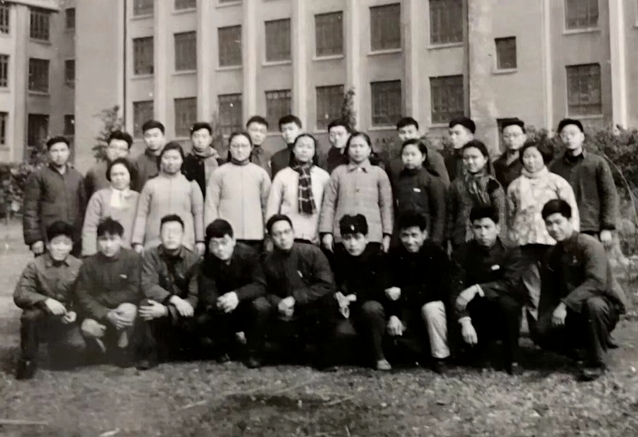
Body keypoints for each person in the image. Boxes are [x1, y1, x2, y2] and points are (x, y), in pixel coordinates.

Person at [535, 199, 628, 381]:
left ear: (570, 220)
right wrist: (542, 323)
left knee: (593, 305)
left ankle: (597, 362)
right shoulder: (552, 254)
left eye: (558, 222)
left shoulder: (589, 245)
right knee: (540, 331)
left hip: (604, 306)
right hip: (574, 310)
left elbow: (597, 282)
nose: (554, 228)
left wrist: (564, 304)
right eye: (549, 224)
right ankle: (582, 348)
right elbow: (548, 292)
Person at [506, 141, 579, 321]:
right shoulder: (515, 185)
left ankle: (558, 327)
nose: (530, 161)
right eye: (526, 157)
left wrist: (571, 240)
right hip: (525, 244)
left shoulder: (557, 182)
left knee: (556, 285)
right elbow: (509, 216)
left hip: (552, 242)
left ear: (544, 158)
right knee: (531, 289)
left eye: (535, 157)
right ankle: (536, 329)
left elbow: (571, 212)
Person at [452, 206, 526, 375]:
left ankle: (513, 357)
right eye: (478, 227)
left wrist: (477, 288)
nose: (483, 233)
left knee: (509, 305)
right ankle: (482, 353)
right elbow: (456, 287)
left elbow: (510, 283)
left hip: (503, 302)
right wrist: (464, 320)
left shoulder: (510, 250)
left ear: (497, 228)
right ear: (472, 229)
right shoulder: (462, 252)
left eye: (487, 227)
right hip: (476, 307)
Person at [255, 215, 336, 367]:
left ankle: (324, 356)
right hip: (287, 312)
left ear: (293, 233)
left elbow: (326, 284)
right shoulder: (267, 261)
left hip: (311, 308)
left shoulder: (312, 252)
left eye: (286, 232)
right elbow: (264, 289)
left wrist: (295, 298)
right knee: (291, 354)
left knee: (327, 300)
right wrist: (278, 303)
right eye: (277, 234)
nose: (283, 238)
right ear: (271, 238)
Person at [386, 211, 458, 373]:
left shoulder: (436, 254)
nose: (410, 241)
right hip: (406, 310)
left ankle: (441, 356)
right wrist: (394, 315)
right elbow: (389, 286)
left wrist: (404, 293)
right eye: (405, 235)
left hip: (429, 308)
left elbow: (438, 290)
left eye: (414, 235)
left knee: (432, 308)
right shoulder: (395, 255)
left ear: (424, 234)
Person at [13, 221, 85, 380]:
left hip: (65, 318)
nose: (61, 248)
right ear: (48, 245)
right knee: (30, 316)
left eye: (66, 244)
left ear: (72, 246)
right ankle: (28, 359)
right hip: (42, 315)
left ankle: (57, 347)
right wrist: (46, 301)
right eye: (56, 243)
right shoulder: (35, 265)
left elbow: (84, 295)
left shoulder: (78, 266)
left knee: (75, 349)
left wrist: (75, 312)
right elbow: (20, 293)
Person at [323, 214, 392, 371]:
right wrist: (338, 295)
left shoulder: (378, 258)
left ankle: (379, 355)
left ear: (366, 238)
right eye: (347, 238)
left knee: (372, 308)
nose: (352, 243)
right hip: (347, 313)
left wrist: (354, 297)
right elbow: (331, 282)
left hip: (369, 313)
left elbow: (381, 290)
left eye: (357, 237)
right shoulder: (339, 258)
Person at [135, 215, 202, 370]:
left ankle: (181, 349)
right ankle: (149, 354)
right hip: (162, 306)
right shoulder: (151, 255)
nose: (171, 236)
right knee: (146, 305)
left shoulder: (194, 260)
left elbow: (194, 297)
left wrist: (167, 311)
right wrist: (173, 300)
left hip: (182, 313)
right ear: (159, 235)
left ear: (183, 235)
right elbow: (148, 285)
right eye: (166, 232)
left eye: (176, 232)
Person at [198, 219, 268, 366]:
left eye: (224, 243)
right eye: (214, 244)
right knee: (205, 316)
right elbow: (207, 290)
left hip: (247, 304)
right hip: (224, 307)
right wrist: (219, 301)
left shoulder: (249, 254)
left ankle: (255, 352)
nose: (220, 249)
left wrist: (237, 295)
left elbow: (260, 284)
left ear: (233, 240)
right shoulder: (208, 262)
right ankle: (227, 348)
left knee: (262, 306)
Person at [75, 218, 142, 367]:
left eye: (113, 239)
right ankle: (103, 345)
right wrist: (106, 313)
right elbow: (83, 294)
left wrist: (103, 300)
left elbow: (134, 290)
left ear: (121, 240)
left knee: (128, 310)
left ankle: (123, 347)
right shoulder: (89, 263)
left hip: (120, 309)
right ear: (97, 240)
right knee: (87, 327)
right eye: (103, 239)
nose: (108, 245)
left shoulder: (133, 258)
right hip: (100, 313)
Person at [319, 132, 394, 254]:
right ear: (348, 150)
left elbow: (386, 206)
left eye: (361, 146)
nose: (357, 150)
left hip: (372, 235)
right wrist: (327, 232)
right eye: (353, 146)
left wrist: (387, 234)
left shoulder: (379, 173)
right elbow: (329, 204)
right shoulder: (338, 172)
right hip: (343, 235)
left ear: (369, 149)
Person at [549, 118, 618, 249]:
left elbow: (609, 194)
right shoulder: (555, 167)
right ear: (560, 138)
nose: (569, 138)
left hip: (592, 227)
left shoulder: (597, 163)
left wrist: (607, 227)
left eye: (573, 134)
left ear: (582, 137)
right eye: (564, 134)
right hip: (566, 227)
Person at [132, 142, 205, 255]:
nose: (171, 162)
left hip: (185, 242)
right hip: (154, 241)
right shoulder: (151, 184)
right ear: (161, 159)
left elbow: (198, 214)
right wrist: (138, 241)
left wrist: (200, 240)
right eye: (166, 158)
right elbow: (142, 214)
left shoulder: (191, 185)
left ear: (182, 160)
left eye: (175, 158)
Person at [205, 132, 271, 248]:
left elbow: (268, 205)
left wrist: (268, 231)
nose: (240, 150)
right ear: (229, 148)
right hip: (227, 236)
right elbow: (211, 205)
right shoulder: (219, 173)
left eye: (244, 146)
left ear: (251, 147)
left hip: (255, 234)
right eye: (235, 146)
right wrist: (212, 232)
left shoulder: (260, 173)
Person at [23, 136, 86, 258]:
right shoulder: (38, 176)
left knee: (74, 267)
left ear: (69, 152)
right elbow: (30, 209)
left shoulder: (77, 177)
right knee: (47, 268)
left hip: (73, 236)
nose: (59, 154)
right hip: (48, 235)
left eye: (63, 150)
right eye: (55, 151)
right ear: (48, 153)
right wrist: (35, 238)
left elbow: (83, 208)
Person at [266, 134, 331, 244]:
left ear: (314, 151)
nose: (304, 150)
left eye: (309, 147)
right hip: (287, 235)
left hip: (314, 234)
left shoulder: (323, 176)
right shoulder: (282, 175)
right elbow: (272, 207)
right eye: (300, 146)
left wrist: (324, 232)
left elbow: (327, 208)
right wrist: (270, 233)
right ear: (294, 149)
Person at [447, 140, 506, 250]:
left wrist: (500, 241)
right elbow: (450, 214)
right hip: (461, 237)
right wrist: (449, 237)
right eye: (466, 158)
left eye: (474, 157)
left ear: (485, 159)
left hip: (486, 236)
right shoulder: (456, 185)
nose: (470, 162)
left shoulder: (492, 184)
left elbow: (501, 214)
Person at [391, 139, 447, 245]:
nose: (409, 158)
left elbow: (440, 213)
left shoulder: (432, 180)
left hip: (425, 231)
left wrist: (435, 241)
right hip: (404, 233)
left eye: (413, 154)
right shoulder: (399, 180)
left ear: (423, 157)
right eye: (405, 154)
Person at [82, 158, 140, 256]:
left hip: (130, 252)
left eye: (122, 174)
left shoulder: (138, 198)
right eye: (115, 175)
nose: (119, 178)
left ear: (130, 175)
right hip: (104, 251)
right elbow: (90, 227)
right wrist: (90, 254)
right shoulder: (99, 196)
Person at [387, 117, 450, 186]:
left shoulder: (431, 155)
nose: (407, 136)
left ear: (417, 133)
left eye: (410, 132)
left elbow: (444, 182)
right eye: (402, 132)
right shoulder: (395, 156)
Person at [85, 130, 134, 199]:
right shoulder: (94, 172)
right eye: (113, 147)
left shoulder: (133, 172)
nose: (117, 152)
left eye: (122, 149)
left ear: (128, 153)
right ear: (107, 150)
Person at [182, 122, 224, 198]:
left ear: (210, 139)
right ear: (191, 138)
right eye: (196, 136)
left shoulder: (219, 162)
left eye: (204, 137)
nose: (200, 140)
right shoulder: (185, 161)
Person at [132, 120, 166, 192]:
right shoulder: (137, 162)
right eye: (148, 136)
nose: (152, 140)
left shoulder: (171, 159)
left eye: (155, 136)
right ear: (143, 139)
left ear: (163, 136)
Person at [493, 118, 526, 190]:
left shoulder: (528, 162)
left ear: (524, 137)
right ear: (502, 139)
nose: (511, 139)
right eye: (506, 136)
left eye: (515, 135)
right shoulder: (496, 165)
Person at [445, 117, 476, 182]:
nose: (452, 137)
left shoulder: (480, 158)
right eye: (450, 133)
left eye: (457, 133)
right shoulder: (449, 161)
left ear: (470, 137)